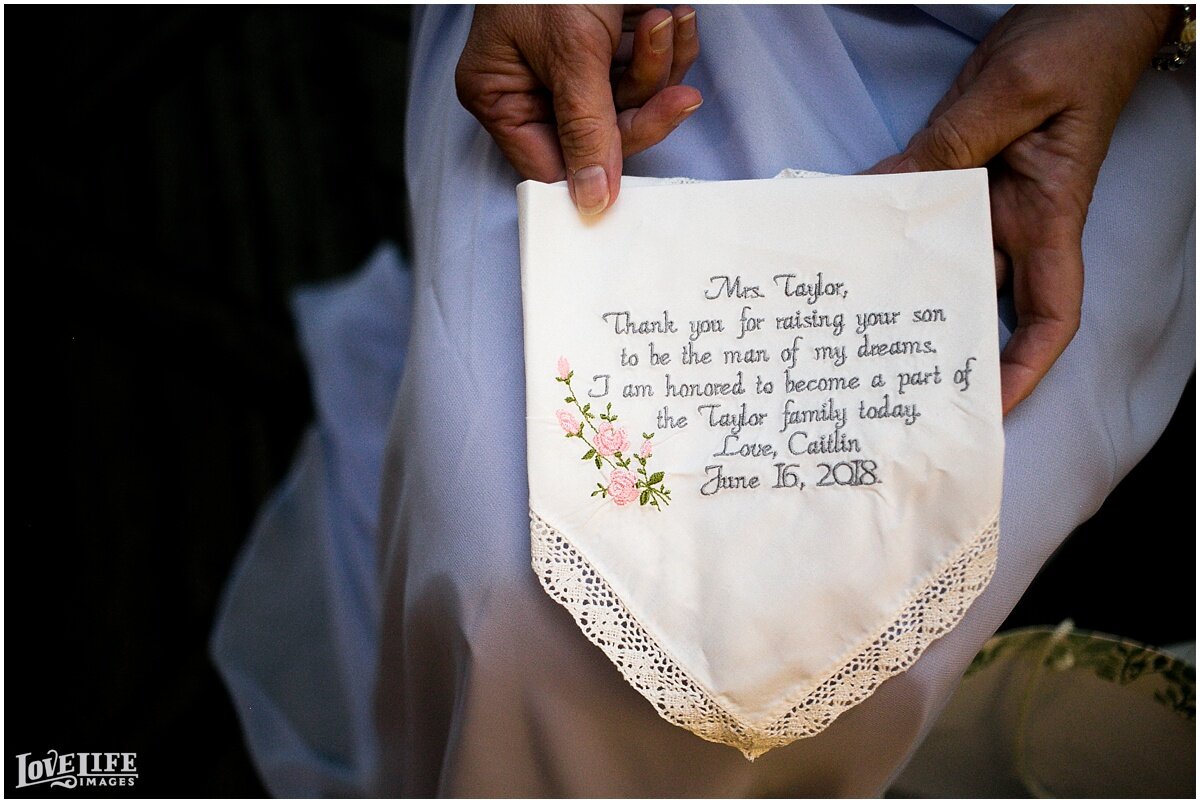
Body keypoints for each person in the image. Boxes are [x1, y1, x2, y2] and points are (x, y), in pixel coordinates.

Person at [215, 5, 1195, 796]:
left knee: (909, 540)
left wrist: (1133, 19)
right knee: (516, 583)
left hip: (1078, 61)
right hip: (681, 43)